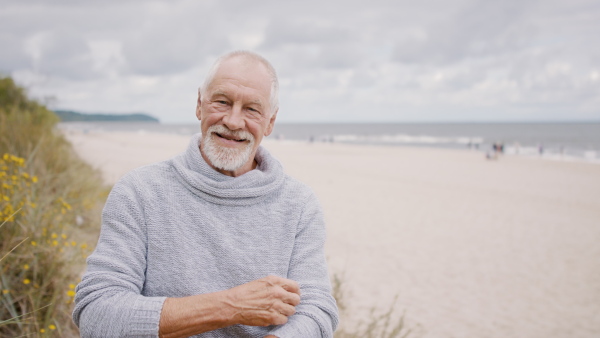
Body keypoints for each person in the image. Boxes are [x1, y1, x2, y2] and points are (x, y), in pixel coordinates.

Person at [73, 51, 339, 337]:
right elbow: (96, 313)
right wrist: (231, 306)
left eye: (252, 109)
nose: (234, 121)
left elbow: (317, 309)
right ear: (199, 105)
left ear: (270, 122)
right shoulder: (139, 191)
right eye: (222, 102)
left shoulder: (299, 204)